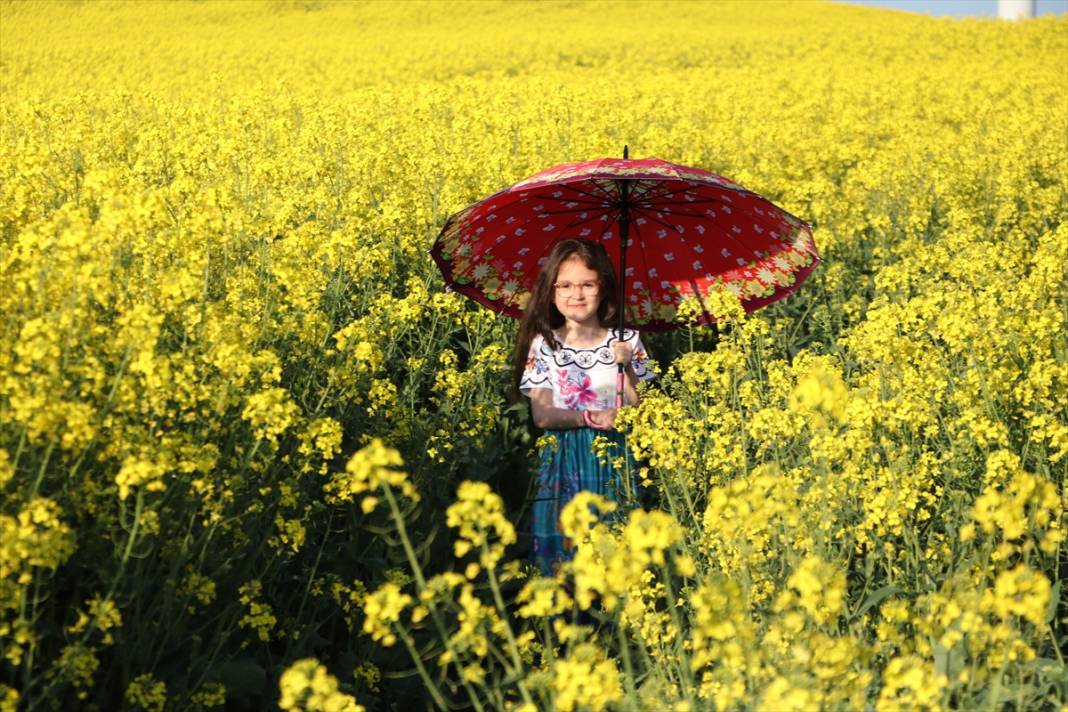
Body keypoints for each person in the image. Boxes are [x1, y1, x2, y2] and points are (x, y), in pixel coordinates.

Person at [512, 238, 656, 577]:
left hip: (614, 454)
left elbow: (640, 408)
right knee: (563, 553)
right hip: (563, 457)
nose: (576, 294)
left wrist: (627, 369)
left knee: (615, 545)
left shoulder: (627, 341)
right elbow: (542, 415)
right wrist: (590, 416)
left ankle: (616, 624)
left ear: (602, 289)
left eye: (587, 285)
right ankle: (565, 624)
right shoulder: (544, 345)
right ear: (550, 292)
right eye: (565, 285)